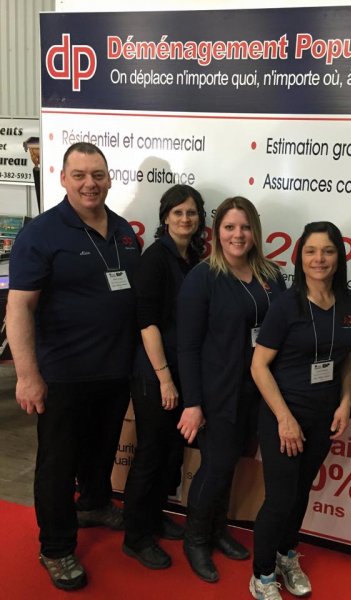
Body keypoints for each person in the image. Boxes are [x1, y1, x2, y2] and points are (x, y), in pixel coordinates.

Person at [5, 142, 140, 591]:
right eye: (79, 175)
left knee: (101, 451)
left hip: (115, 371)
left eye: (97, 174)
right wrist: (27, 376)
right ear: (63, 178)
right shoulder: (41, 234)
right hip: (63, 374)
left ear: (109, 178)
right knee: (58, 465)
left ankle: (95, 503)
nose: (89, 184)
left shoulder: (123, 231)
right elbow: (19, 308)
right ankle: (56, 547)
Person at [177, 196, 286, 583]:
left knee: (231, 465)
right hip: (217, 392)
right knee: (215, 467)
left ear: (255, 231)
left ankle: (218, 529)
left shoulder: (271, 275)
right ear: (216, 232)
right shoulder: (203, 277)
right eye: (229, 227)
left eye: (244, 227)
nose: (237, 235)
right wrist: (193, 403)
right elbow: (187, 346)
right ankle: (195, 538)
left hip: (257, 391)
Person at [249, 221, 351, 599]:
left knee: (300, 494)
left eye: (327, 250)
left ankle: (285, 555)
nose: (319, 259)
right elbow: (258, 366)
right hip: (284, 416)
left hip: (323, 416)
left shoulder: (349, 302)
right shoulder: (286, 305)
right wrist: (284, 419)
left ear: (339, 256)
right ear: (300, 257)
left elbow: (347, 359)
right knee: (280, 499)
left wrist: (345, 401)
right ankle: (262, 575)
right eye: (311, 251)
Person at [123, 184, 206, 570]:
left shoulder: (194, 258)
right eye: (178, 212)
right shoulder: (155, 258)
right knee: (151, 454)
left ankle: (154, 518)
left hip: (182, 370)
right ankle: (135, 537)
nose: (185, 219)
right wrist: (165, 379)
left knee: (170, 454)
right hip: (155, 374)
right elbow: (147, 322)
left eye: (191, 212)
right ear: (165, 217)